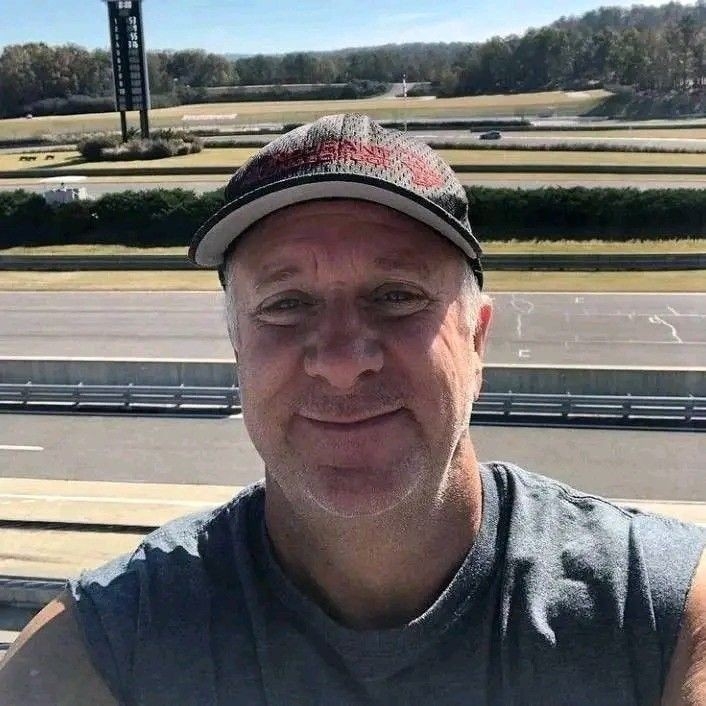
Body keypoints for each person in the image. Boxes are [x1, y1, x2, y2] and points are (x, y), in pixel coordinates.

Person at [1, 114, 704, 706]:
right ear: (237, 349)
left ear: (477, 341)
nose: (341, 359)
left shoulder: (658, 613)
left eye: (396, 296)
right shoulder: (108, 641)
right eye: (285, 304)